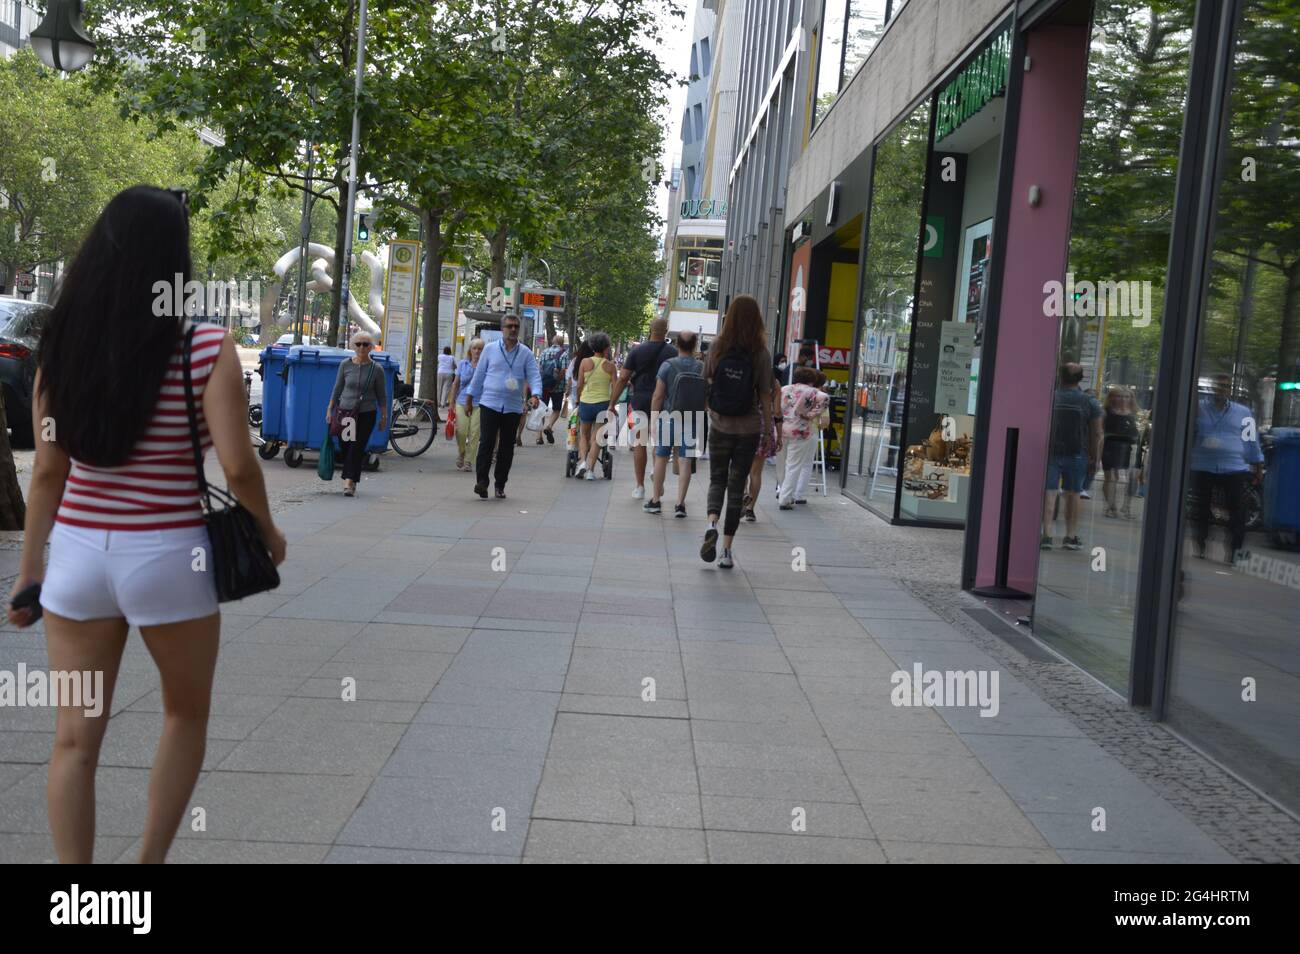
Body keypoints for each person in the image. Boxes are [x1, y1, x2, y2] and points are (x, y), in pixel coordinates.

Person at [6, 185, 287, 864]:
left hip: (76, 559)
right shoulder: (204, 347)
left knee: (74, 740)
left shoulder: (61, 347)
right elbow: (238, 465)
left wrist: (29, 573)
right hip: (169, 559)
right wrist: (266, 530)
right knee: (183, 714)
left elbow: (47, 473)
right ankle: (146, 871)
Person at [700, 295, 777, 568]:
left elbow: (707, 382)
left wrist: (712, 411)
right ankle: (727, 551)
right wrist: (768, 429)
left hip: (720, 424)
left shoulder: (718, 347)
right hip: (749, 429)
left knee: (716, 480)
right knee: (736, 487)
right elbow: (766, 396)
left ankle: (711, 523)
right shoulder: (761, 353)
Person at [464, 314, 542, 499]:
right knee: (486, 443)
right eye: (509, 326)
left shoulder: (525, 353)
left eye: (516, 326)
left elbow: (533, 375)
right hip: (489, 403)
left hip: (513, 407)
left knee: (507, 447)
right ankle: (481, 482)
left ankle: (500, 484)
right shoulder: (490, 350)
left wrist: (536, 394)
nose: (513, 329)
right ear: (502, 329)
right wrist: (469, 398)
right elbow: (479, 376)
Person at [1190, 373, 1264, 564]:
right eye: (1218, 385)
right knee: (1201, 509)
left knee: (1238, 510)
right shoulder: (1199, 409)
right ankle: (1200, 544)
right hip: (1204, 465)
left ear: (1230, 390)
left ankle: (1236, 551)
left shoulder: (1244, 412)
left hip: (1234, 467)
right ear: (1213, 388)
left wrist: (1257, 464)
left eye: (1225, 386)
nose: (1221, 389)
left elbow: (1251, 440)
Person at [608, 318, 675, 499]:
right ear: (666, 331)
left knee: (639, 442)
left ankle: (639, 486)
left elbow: (623, 379)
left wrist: (612, 403)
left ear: (650, 330)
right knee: (659, 441)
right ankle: (656, 471)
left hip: (639, 400)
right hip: (664, 402)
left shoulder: (637, 351)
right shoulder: (672, 352)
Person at [1042, 362, 1103, 551]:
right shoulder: (1090, 402)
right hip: (1078, 454)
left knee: (1050, 492)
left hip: (1051, 452)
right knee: (1074, 494)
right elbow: (1097, 434)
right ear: (1081, 379)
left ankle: (1047, 535)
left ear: (1060, 376)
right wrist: (1095, 457)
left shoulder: (1050, 397)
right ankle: (1070, 536)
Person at [645, 330, 704, 517]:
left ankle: (655, 501)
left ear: (677, 344)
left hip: (669, 418)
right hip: (692, 419)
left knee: (661, 457)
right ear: (695, 345)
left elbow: (658, 395)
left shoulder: (668, 365)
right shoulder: (702, 367)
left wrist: (654, 419)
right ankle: (680, 504)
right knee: (686, 460)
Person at [327, 332, 388, 498]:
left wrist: (384, 417)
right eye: (359, 344)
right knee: (346, 445)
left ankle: (349, 481)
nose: (362, 347)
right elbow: (337, 388)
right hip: (346, 412)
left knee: (357, 446)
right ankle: (351, 476)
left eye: (366, 344)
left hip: (367, 413)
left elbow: (382, 396)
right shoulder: (345, 365)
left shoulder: (377, 369)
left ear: (371, 347)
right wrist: (330, 409)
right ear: (354, 346)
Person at [776, 366, 830, 509]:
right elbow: (825, 399)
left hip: (781, 429)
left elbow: (775, 406)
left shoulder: (784, 389)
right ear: (811, 380)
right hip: (800, 431)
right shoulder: (813, 391)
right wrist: (810, 415)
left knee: (781, 464)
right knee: (793, 466)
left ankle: (782, 490)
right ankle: (785, 498)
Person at [742, 365, 783, 522]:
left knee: (742, 468)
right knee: (756, 472)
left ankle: (744, 493)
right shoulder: (775, 384)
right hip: (765, 427)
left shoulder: (748, 379)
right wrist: (779, 435)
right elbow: (777, 412)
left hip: (746, 425)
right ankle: (750, 509)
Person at [576, 333, 616, 480]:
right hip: (602, 404)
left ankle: (582, 463)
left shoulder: (584, 362)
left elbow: (579, 384)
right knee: (597, 438)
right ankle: (591, 471)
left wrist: (579, 400)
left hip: (586, 402)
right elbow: (616, 388)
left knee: (584, 435)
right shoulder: (610, 366)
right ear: (606, 348)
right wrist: (612, 405)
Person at [1101, 386, 1139, 519]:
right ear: (1111, 398)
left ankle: (1126, 507)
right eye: (1119, 396)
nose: (1123, 399)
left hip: (1131, 448)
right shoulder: (1106, 412)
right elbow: (1099, 432)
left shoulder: (1135, 413)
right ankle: (1112, 507)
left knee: (1133, 478)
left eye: (1126, 396)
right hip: (1110, 446)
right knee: (1111, 478)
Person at [450, 337, 484, 471]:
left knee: (475, 433)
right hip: (462, 402)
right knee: (461, 431)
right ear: (470, 350)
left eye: (480, 349)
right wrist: (451, 402)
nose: (477, 351)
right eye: (474, 348)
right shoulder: (463, 364)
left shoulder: (486, 365)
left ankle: (469, 461)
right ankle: (462, 452)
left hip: (479, 403)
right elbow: (455, 384)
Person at [537, 334, 569, 445]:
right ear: (561, 343)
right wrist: (556, 385)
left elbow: (540, 369)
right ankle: (549, 426)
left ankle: (539, 436)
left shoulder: (544, 352)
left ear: (552, 342)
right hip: (557, 387)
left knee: (541, 409)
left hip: (544, 385)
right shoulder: (564, 353)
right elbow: (564, 370)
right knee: (556, 409)